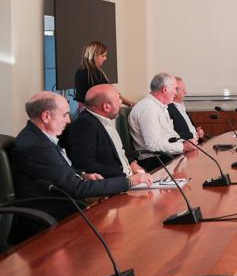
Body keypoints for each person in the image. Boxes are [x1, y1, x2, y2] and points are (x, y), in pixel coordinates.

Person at [10, 92, 151, 242]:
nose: (69, 120)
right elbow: (77, 189)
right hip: (50, 221)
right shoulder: (36, 146)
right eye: (64, 115)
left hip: (64, 206)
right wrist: (129, 181)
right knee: (122, 234)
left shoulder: (39, 137)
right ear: (46, 116)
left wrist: (82, 175)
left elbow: (56, 173)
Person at [63, 84, 146, 178]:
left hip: (130, 179)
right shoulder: (85, 125)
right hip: (117, 184)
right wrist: (127, 178)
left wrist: (131, 164)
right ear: (106, 107)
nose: (121, 102)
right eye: (118, 99)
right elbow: (85, 164)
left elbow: (117, 152)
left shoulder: (105, 120)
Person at [129, 72, 187, 171]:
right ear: (165, 89)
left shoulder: (159, 107)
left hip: (164, 155)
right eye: (174, 89)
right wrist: (182, 147)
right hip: (154, 160)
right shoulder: (148, 109)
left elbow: (168, 136)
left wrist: (184, 143)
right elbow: (153, 144)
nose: (175, 93)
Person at [73, 41, 133, 108]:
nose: (105, 59)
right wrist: (130, 104)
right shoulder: (95, 74)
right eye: (103, 56)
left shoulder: (79, 71)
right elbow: (111, 94)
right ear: (94, 56)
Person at [168, 76, 204, 142]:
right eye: (183, 90)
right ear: (174, 91)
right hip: (185, 147)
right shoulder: (168, 109)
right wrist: (193, 135)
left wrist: (197, 131)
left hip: (196, 143)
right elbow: (172, 134)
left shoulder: (181, 105)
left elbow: (186, 128)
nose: (185, 92)